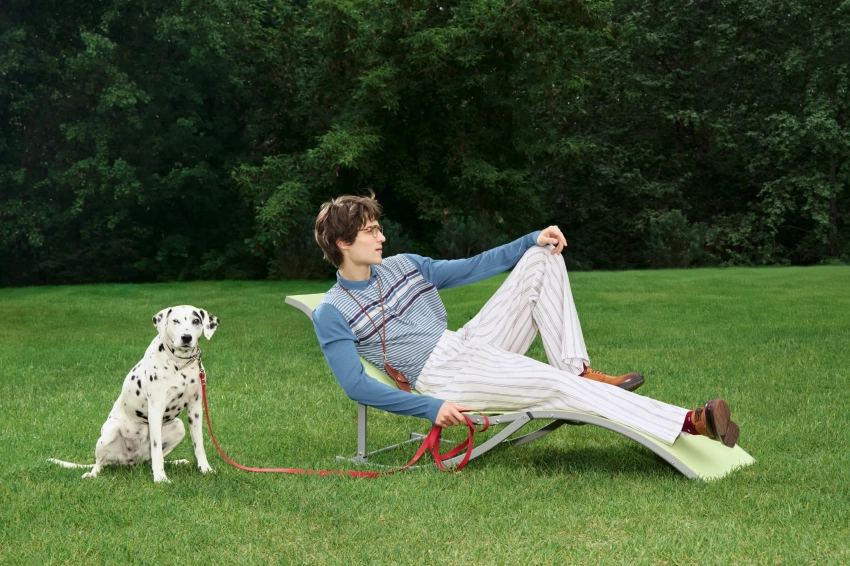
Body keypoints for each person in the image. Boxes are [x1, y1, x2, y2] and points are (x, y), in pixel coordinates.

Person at [311, 193, 739, 448]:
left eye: (379, 227)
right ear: (343, 242)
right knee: (554, 386)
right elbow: (356, 386)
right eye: (371, 231)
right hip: (442, 376)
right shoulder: (333, 311)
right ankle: (690, 422)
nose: (382, 236)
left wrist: (531, 239)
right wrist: (431, 407)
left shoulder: (404, 265)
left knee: (540, 257)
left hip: (468, 343)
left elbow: (474, 266)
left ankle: (577, 370)